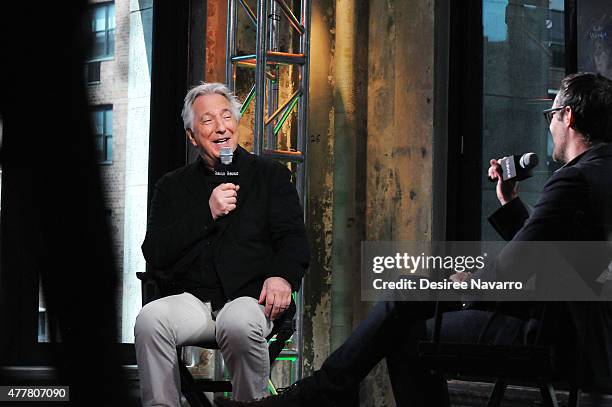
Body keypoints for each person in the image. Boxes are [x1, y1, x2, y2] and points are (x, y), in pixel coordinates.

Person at [216, 72, 612, 407]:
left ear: (569, 116)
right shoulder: (601, 176)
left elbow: (516, 267)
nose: (550, 126)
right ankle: (325, 389)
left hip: (551, 335)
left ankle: (323, 390)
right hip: (588, 335)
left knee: (405, 325)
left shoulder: (572, 180)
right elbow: (554, 256)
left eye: (552, 115)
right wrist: (508, 202)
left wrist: (466, 286)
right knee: (406, 297)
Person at [134, 82, 310, 406]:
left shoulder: (270, 176)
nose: (220, 127)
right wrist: (207, 213)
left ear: (236, 122)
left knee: (238, 320)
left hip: (251, 298)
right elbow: (154, 250)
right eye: (207, 120)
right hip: (195, 300)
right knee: (150, 319)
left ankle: (250, 405)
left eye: (226, 116)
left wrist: (282, 277)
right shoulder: (172, 187)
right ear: (191, 135)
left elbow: (294, 240)